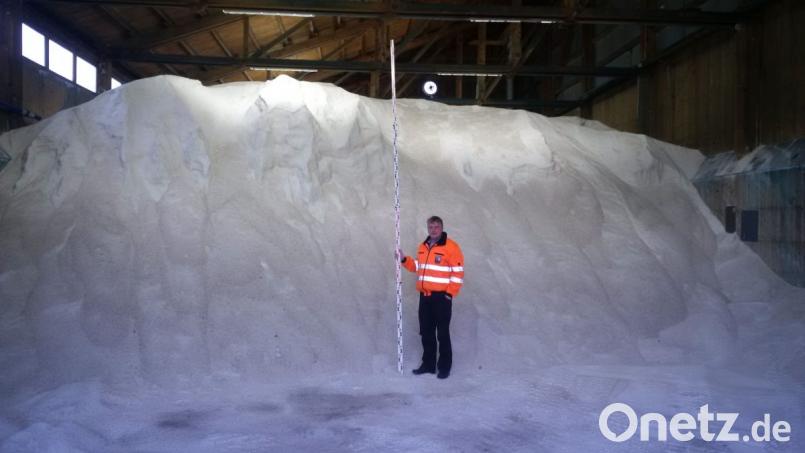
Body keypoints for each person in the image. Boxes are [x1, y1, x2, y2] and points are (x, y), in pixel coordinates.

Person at [397, 216, 464, 379]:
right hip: (425, 298)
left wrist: (449, 294)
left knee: (442, 333)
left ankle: (444, 367)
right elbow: (418, 267)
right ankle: (428, 365)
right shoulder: (423, 246)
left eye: (436, 227)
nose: (433, 230)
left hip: (442, 298)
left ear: (442, 228)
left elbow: (458, 273)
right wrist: (404, 259)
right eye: (430, 227)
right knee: (426, 332)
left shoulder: (452, 247)